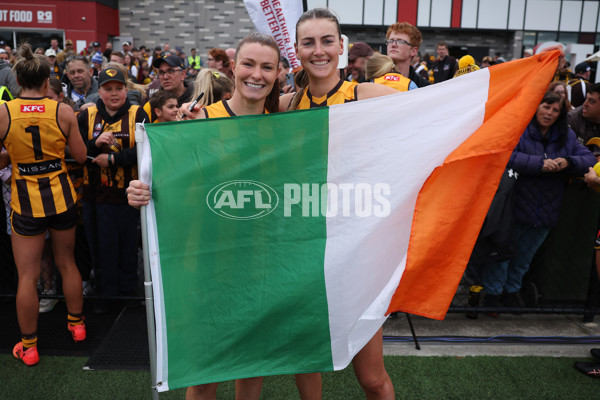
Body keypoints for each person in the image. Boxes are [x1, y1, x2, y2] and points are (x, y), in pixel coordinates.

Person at [129, 32, 322, 400]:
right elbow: (171, 186)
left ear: (279, 72)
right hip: (209, 266)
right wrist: (142, 190)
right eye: (249, 64)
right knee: (205, 376)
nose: (257, 74)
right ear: (233, 67)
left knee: (251, 371)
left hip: (264, 263)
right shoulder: (198, 121)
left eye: (267, 67)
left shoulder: (285, 125)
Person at [280, 8, 400, 399]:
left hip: (357, 255)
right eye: (308, 42)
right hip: (301, 253)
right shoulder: (282, 106)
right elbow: (224, 121)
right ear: (296, 49)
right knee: (306, 361)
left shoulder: (366, 95)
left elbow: (434, 113)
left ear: (341, 46)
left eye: (327, 40)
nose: (319, 51)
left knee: (372, 378)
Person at [0, 44, 87, 366]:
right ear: (47, 78)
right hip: (62, 197)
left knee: (27, 275)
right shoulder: (62, 111)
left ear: (18, 78)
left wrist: (13, 155)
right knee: (67, 263)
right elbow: (80, 156)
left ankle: (29, 345)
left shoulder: (5, 112)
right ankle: (77, 325)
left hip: (25, 203)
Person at [482, 91, 595, 313]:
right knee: (501, 254)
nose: (549, 113)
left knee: (524, 258)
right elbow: (504, 154)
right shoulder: (519, 129)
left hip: (546, 209)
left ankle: (511, 294)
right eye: (546, 107)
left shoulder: (566, 136)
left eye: (555, 110)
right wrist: (539, 164)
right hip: (513, 204)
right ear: (536, 106)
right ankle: (492, 297)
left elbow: (589, 158)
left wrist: (568, 161)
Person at [78, 67, 148, 313]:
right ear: (100, 91)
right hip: (94, 196)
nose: (114, 93)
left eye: (119, 88)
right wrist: (94, 145)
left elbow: (147, 152)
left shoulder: (139, 114)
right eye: (109, 89)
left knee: (128, 247)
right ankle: (106, 296)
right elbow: (74, 152)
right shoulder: (86, 116)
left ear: (126, 90)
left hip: (128, 194)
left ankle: (128, 296)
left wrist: (114, 160)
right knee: (100, 247)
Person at [385, 22, 429, 87]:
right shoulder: (372, 79)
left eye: (400, 41)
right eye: (391, 41)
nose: (393, 45)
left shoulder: (422, 87)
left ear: (413, 51)